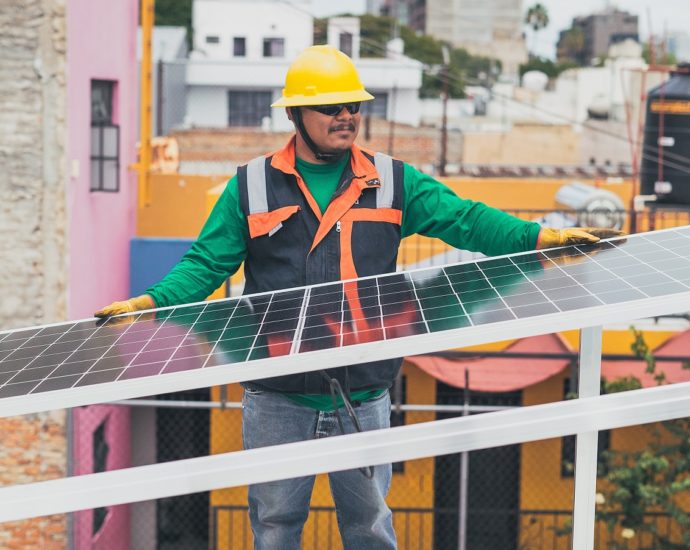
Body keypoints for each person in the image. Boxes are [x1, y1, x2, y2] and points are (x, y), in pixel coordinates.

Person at [96, 45, 621, 549]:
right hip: (278, 396)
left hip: (364, 395)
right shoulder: (251, 187)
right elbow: (206, 264)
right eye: (332, 106)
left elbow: (466, 220)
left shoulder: (392, 181)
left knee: (369, 528)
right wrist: (153, 302)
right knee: (275, 525)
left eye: (354, 105)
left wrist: (538, 238)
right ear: (297, 114)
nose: (347, 115)